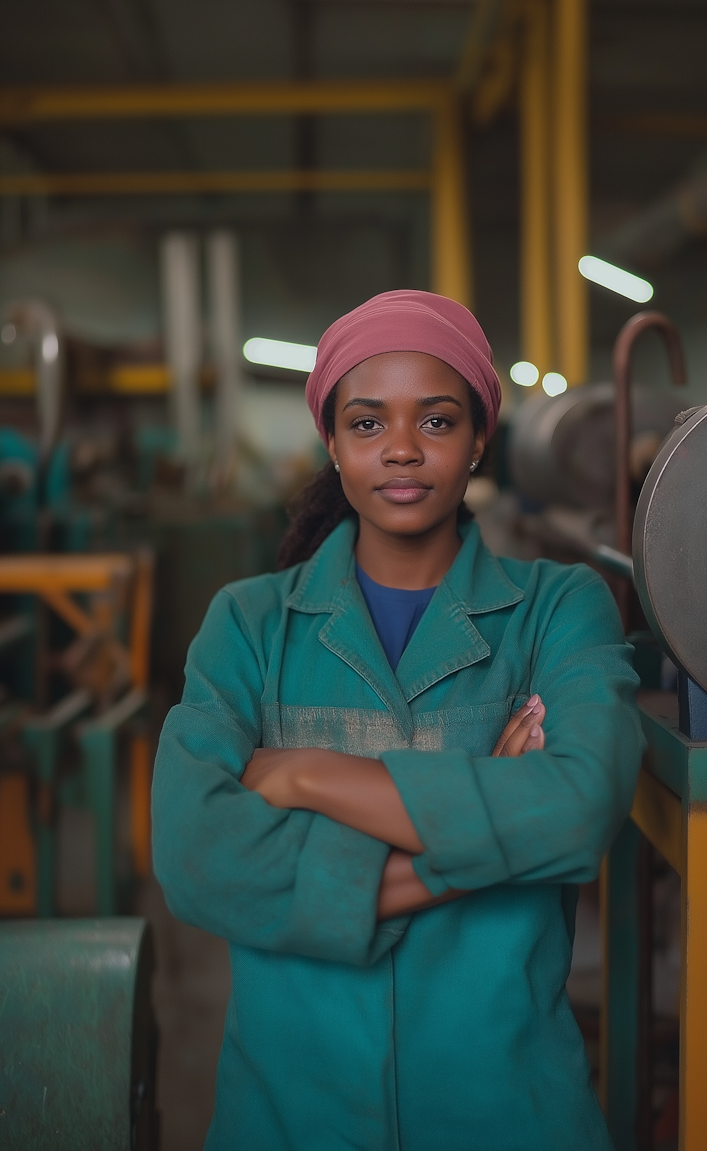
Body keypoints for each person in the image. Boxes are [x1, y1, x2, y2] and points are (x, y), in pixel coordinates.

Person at [152, 289, 644, 1151]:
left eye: (438, 421)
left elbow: (578, 812)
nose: (403, 449)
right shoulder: (250, 624)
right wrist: (490, 838)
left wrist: (307, 774)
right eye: (368, 423)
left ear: (481, 438)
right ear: (333, 442)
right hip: (291, 1115)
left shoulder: (557, 609)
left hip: (505, 1110)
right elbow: (198, 859)